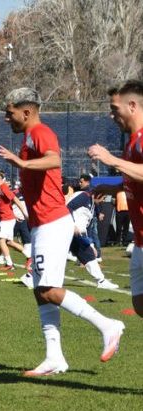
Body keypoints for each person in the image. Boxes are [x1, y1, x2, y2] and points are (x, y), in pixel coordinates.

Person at [0, 87, 124, 376]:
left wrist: (22, 163)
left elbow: (54, 159)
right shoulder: (29, 136)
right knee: (41, 292)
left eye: (10, 112)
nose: (7, 118)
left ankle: (108, 325)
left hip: (53, 223)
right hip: (43, 224)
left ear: (26, 112)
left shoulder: (41, 132)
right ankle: (54, 357)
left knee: (49, 290)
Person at [88, 80, 143, 317]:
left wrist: (113, 160)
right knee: (139, 305)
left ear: (132, 105)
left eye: (115, 109)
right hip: (140, 242)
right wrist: (113, 188)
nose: (112, 116)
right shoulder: (132, 142)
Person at [0, 169, 28, 270]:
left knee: (0, 240)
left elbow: (15, 199)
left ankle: (9, 264)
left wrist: (25, 214)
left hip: (7, 218)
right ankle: (30, 256)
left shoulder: (4, 187)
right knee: (9, 242)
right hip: (7, 217)